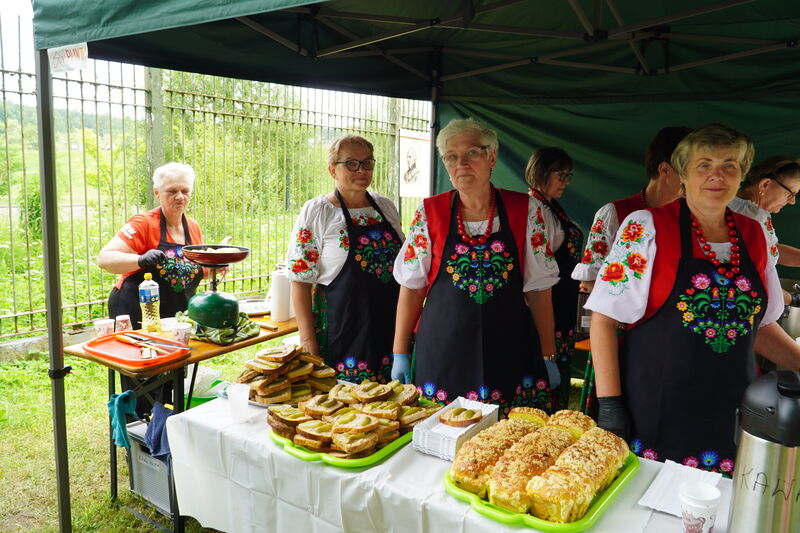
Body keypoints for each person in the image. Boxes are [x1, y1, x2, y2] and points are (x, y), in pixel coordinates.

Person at [586, 123, 800, 474]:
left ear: (741, 174)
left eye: (729, 165)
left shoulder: (755, 235)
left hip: (732, 407)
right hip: (658, 407)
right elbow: (604, 320)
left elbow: (758, 326)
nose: (717, 176)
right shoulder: (646, 227)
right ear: (682, 174)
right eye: (704, 165)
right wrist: (611, 406)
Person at [391, 118, 558, 414]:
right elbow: (412, 288)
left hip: (509, 347)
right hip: (443, 349)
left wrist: (548, 355)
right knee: (443, 433)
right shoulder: (429, 212)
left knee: (505, 443)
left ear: (492, 157)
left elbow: (539, 289)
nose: (461, 164)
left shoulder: (526, 209)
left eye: (472, 153)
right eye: (451, 157)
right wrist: (400, 351)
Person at [287, 134, 404, 384]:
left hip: (391, 327)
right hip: (343, 331)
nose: (360, 170)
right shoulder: (319, 211)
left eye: (367, 163)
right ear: (332, 170)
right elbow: (300, 279)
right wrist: (308, 341)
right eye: (350, 163)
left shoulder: (385, 207)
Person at [572, 126, 692, 291]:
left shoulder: (693, 217)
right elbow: (590, 280)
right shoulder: (613, 214)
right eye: (691, 169)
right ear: (665, 169)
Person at [99, 162, 205, 329]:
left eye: (185, 191)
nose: (180, 196)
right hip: (136, 311)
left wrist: (216, 264)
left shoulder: (192, 227)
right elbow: (104, 258)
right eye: (172, 191)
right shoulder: (144, 223)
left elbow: (193, 272)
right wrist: (140, 259)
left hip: (177, 316)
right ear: (157, 193)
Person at [525, 147, 583, 409]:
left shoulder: (551, 207)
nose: (567, 181)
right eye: (562, 175)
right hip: (549, 305)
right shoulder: (535, 211)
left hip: (563, 304)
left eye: (569, 175)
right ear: (542, 172)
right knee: (543, 374)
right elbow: (538, 274)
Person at [729, 155, 800, 305]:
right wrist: (791, 299)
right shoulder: (748, 218)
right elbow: (750, 281)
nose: (792, 201)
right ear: (765, 184)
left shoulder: (753, 211)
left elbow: (772, 250)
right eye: (790, 194)